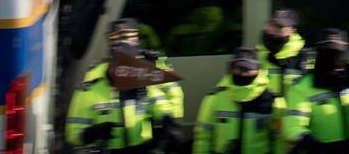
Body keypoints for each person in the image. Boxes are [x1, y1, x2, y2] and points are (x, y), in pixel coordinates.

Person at [65, 18, 184, 151]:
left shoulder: (143, 78)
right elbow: (73, 134)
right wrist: (91, 133)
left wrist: (168, 122)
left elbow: (160, 105)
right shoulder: (89, 89)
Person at [282, 29, 349, 154]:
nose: (334, 60)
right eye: (327, 54)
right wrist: (312, 145)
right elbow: (292, 127)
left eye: (339, 55)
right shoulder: (301, 87)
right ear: (318, 55)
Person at [193, 47, 281, 154]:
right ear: (230, 69)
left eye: (247, 69)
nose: (242, 73)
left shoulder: (273, 99)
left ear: (258, 70)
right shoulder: (214, 98)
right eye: (238, 68)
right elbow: (203, 136)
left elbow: (279, 139)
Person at [258, 9, 309, 98]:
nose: (274, 29)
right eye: (272, 25)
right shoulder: (256, 56)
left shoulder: (304, 57)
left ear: (293, 30)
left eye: (280, 26)